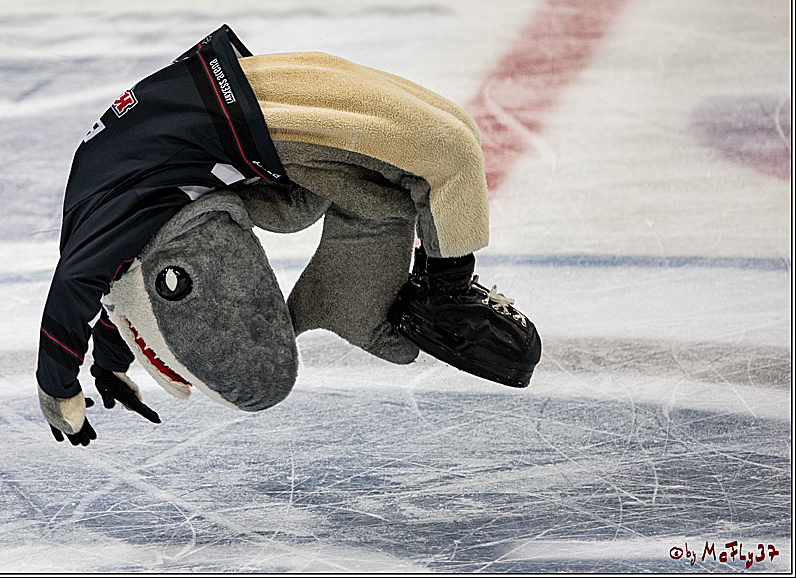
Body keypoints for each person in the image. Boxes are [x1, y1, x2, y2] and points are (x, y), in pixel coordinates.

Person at [37, 25, 541, 446]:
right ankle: (402, 290)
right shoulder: (113, 216)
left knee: (450, 144)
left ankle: (427, 288)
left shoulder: (115, 222)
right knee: (439, 152)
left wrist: (61, 388)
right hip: (238, 102)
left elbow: (87, 282)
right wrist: (106, 367)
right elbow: (116, 290)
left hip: (241, 113)